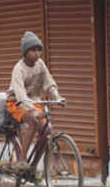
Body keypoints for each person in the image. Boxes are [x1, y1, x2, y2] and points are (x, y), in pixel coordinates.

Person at [6, 31, 65, 170]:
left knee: (47, 130)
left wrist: (57, 97)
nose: (36, 53)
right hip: (16, 102)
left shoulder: (40, 65)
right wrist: (31, 109)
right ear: (25, 52)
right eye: (32, 50)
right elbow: (20, 94)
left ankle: (34, 166)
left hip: (34, 101)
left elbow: (49, 83)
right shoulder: (18, 69)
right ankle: (22, 159)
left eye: (39, 50)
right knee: (33, 120)